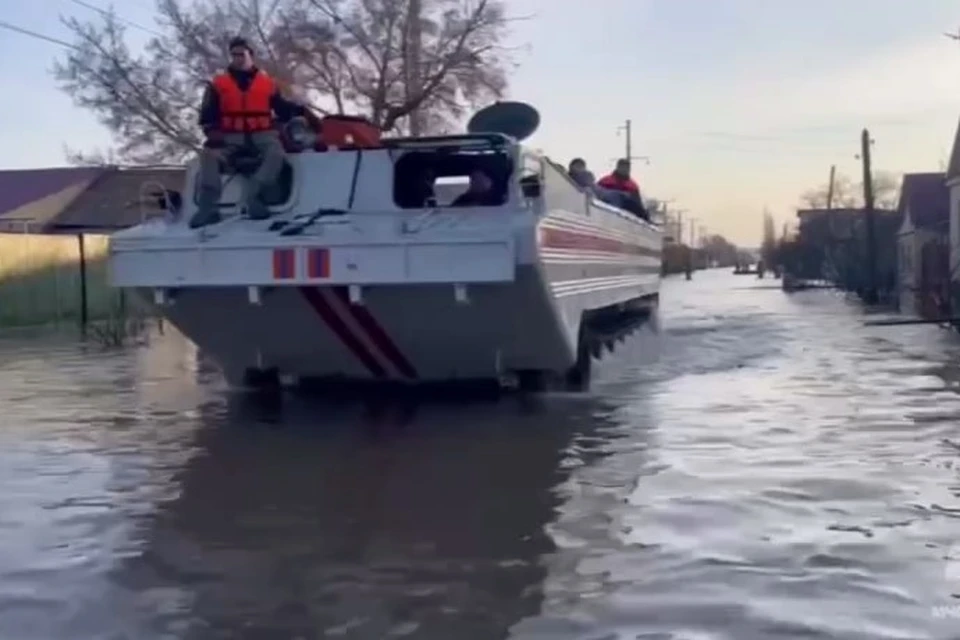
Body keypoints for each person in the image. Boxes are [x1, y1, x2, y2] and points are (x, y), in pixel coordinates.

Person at [191, 36, 311, 229]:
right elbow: (207, 114)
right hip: (230, 136)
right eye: (234, 54)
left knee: (276, 153)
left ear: (251, 55)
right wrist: (213, 133)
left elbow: (281, 108)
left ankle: (254, 194)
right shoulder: (218, 84)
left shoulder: (267, 84)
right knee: (208, 156)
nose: (238, 58)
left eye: (242, 54)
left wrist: (300, 110)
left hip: (262, 134)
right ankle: (207, 207)